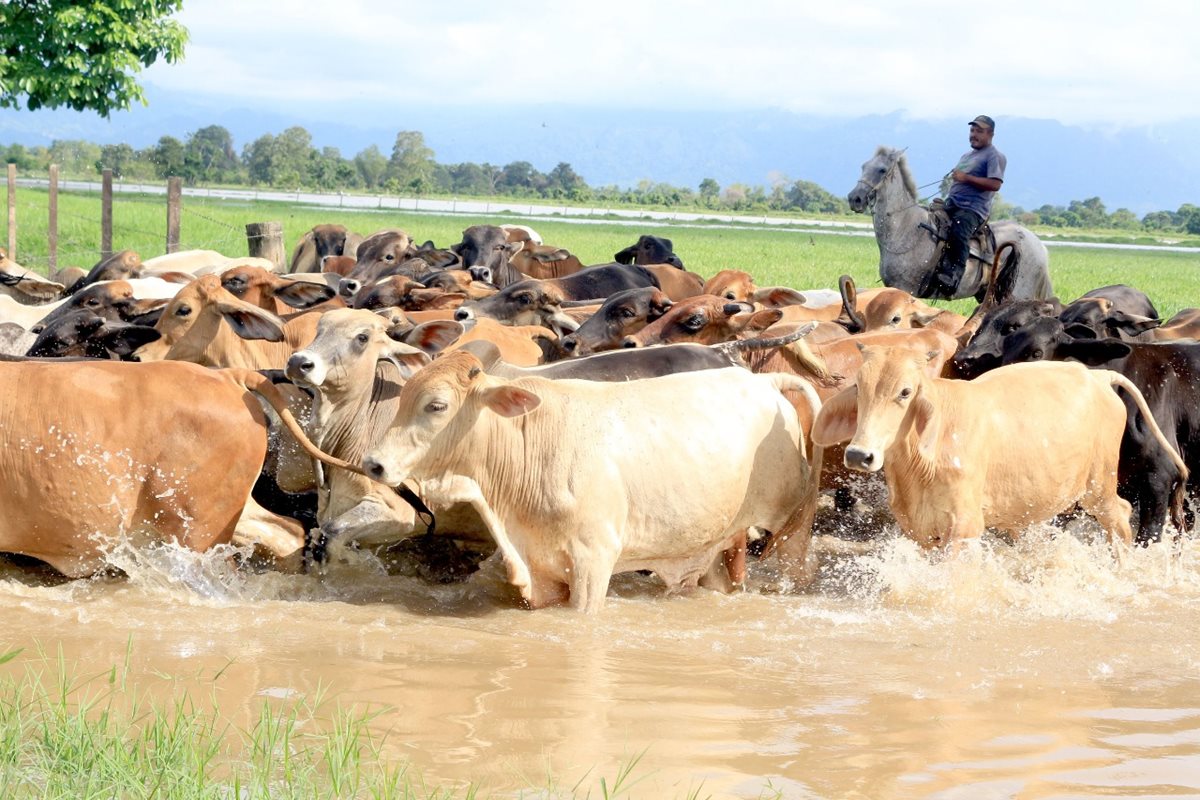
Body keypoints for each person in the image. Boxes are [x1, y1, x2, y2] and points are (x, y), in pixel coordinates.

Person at [930, 114, 1006, 299]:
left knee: (958, 230)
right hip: (953, 203)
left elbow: (995, 184)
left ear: (991, 134)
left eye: (979, 131)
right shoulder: (967, 155)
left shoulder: (994, 156)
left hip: (973, 209)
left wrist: (966, 178)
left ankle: (954, 275)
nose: (974, 134)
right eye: (972, 130)